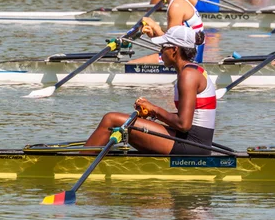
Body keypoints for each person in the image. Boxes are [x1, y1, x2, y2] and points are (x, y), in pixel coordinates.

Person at [85, 26, 216, 155]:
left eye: (163, 47)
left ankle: (81, 162)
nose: (160, 52)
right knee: (129, 122)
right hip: (191, 140)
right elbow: (186, 118)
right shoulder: (192, 71)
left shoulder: (188, 75)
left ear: (175, 50)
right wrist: (151, 114)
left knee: (111, 119)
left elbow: (183, 124)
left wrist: (154, 109)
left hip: (192, 144)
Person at [130, 0, 205, 63]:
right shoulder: (176, 0)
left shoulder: (176, 5)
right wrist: (153, 34)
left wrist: (155, 27)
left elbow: (171, 44)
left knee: (131, 64)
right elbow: (173, 39)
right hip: (185, 52)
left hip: (188, 59)